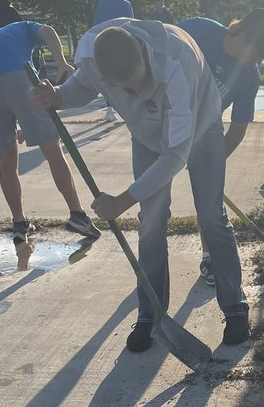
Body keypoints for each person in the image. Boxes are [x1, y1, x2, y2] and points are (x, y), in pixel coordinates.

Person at [29, 20, 250, 352]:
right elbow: (82, 86)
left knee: (211, 216)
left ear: (144, 57)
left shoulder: (176, 64)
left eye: (138, 82)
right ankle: (151, 314)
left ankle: (234, 308)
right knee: (151, 222)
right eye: (125, 89)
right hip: (146, 135)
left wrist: (123, 200)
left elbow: (176, 155)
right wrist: (57, 97)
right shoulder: (92, 55)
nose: (135, 92)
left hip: (201, 131)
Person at [178, 8, 264, 285]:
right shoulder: (197, 31)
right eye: (258, 52)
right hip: (163, 118)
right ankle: (152, 266)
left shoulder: (249, 77)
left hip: (206, 129)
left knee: (209, 204)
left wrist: (212, 163)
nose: (258, 60)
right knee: (154, 202)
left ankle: (210, 257)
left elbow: (237, 129)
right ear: (242, 36)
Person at [0, 19, 99, 243]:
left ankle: (19, 223)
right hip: (20, 76)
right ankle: (77, 215)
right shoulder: (24, 26)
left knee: (8, 158)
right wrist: (62, 63)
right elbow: (49, 31)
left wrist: (14, 127)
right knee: (53, 151)